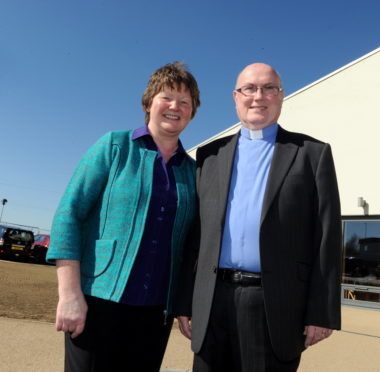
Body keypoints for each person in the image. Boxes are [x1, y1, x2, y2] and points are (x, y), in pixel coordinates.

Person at [176, 63, 342, 371]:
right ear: (235, 97)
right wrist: (185, 301)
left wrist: (321, 312)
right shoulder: (209, 156)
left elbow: (327, 237)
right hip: (212, 302)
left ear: (281, 96)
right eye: (249, 89)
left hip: (275, 305)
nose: (258, 96)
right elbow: (194, 236)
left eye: (268, 88)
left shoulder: (312, 154)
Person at [46, 61, 200, 372]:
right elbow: (69, 215)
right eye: (167, 97)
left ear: (193, 112)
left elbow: (193, 246)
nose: (175, 107)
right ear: (148, 102)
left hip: (156, 312)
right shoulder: (114, 146)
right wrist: (69, 294)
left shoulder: (194, 172)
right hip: (97, 301)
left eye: (185, 102)